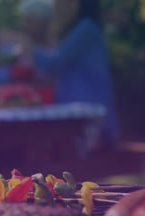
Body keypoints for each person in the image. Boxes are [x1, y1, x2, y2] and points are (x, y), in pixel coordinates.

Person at [29, 0, 119, 147]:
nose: (55, 7)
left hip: (91, 121)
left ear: (74, 3)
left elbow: (54, 64)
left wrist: (29, 48)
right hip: (75, 117)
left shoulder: (86, 28)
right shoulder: (77, 29)